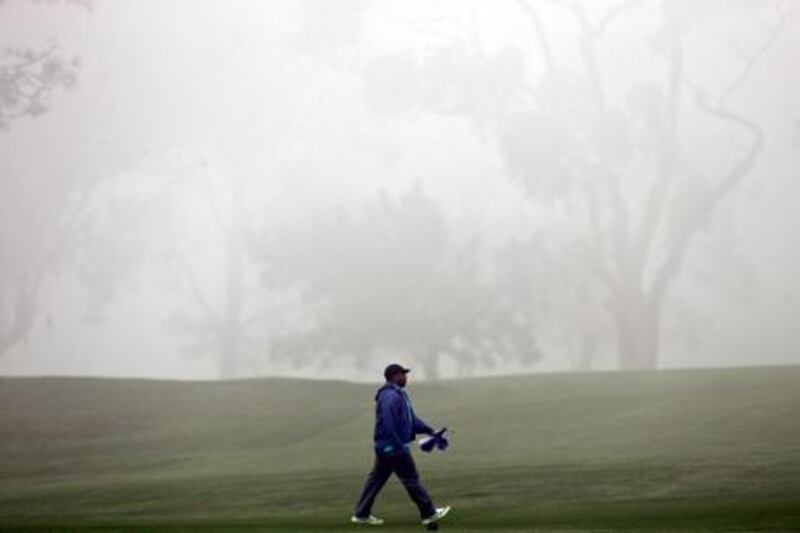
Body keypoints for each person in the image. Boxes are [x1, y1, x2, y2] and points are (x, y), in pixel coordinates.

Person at [350, 363, 452, 526]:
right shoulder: (390, 396)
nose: (406, 377)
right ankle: (429, 513)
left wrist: (431, 431)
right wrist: (397, 444)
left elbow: (412, 421)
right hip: (393, 447)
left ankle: (361, 514)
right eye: (403, 374)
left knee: (375, 479)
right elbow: (388, 422)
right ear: (395, 376)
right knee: (411, 479)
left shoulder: (398, 395)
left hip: (385, 447)